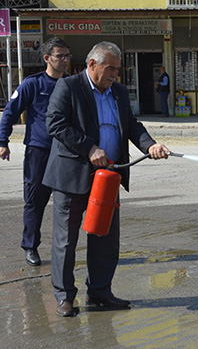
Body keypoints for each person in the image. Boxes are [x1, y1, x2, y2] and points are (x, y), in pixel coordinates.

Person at [43, 41, 171, 317]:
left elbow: (132, 125)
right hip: (72, 176)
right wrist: (89, 147)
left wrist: (150, 145)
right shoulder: (69, 87)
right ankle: (65, 296)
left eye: (117, 69)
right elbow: (54, 123)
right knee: (66, 240)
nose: (115, 74)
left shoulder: (119, 93)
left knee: (105, 238)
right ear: (92, 65)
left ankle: (100, 292)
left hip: (108, 177)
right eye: (110, 68)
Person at [0, 37, 71, 267]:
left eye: (67, 56)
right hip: (39, 152)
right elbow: (10, 113)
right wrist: (2, 141)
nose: (65, 60)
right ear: (47, 58)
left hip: (65, 153)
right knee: (34, 202)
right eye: (60, 56)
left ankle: (65, 249)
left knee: (68, 203)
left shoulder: (72, 85)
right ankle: (30, 246)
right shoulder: (33, 84)